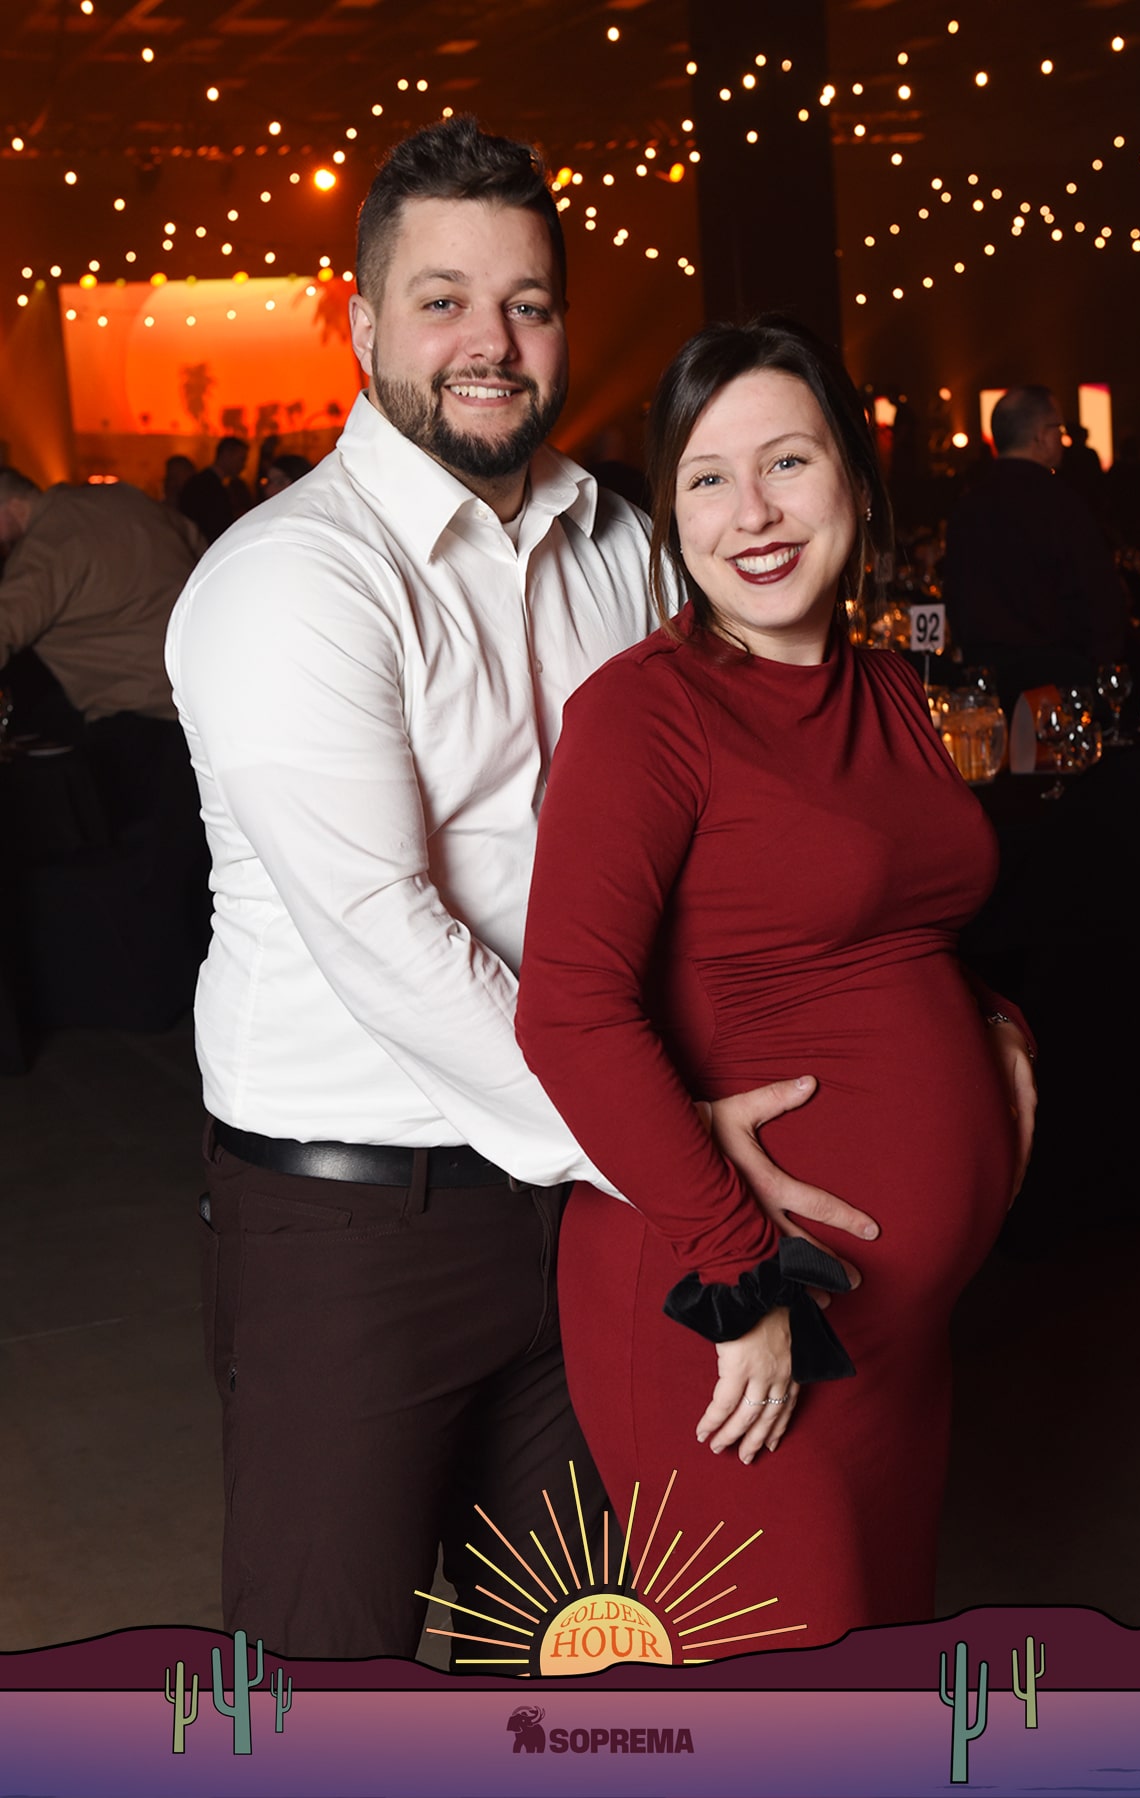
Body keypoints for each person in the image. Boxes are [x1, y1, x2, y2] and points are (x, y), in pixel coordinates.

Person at [164, 122, 871, 1662]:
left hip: (586, 1209)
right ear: (362, 326)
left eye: (527, 303)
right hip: (359, 1221)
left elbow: (748, 829)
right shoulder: (292, 580)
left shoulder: (626, 539)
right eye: (443, 301)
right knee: (324, 1682)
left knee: (565, 1659)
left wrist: (960, 1008)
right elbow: (393, 940)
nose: (489, 342)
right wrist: (666, 1145)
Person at [516, 316, 1037, 1652]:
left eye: (787, 463)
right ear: (669, 512)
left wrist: (993, 1030)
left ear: (855, 477)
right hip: (733, 1320)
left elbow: (904, 917)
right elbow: (567, 1009)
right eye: (706, 477)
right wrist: (740, 1275)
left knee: (874, 1672)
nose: (750, 512)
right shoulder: (645, 715)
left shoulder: (889, 688)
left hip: (898, 1327)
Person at [943, 385, 1126, 711]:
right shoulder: (1063, 503)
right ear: (1041, 436)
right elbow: (1099, 598)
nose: (1062, 439)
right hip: (1059, 686)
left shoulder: (966, 506)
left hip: (988, 686)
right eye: (1058, 429)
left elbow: (955, 595)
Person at [0, 466, 197, 732]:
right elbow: (196, 542)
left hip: (139, 709)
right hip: (197, 687)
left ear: (11, 505)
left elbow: (6, 621)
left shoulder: (43, 546)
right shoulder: (119, 496)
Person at [178, 436, 251, 545]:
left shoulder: (207, 482)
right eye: (241, 459)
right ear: (226, 455)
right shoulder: (206, 485)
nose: (243, 466)